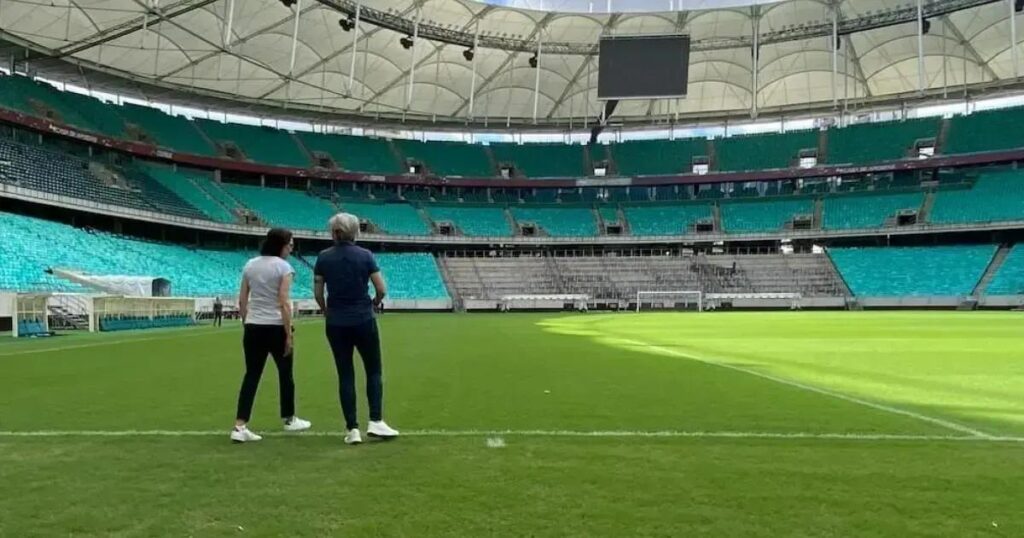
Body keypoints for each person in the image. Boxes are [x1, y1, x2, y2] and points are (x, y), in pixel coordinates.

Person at [314, 213, 399, 445]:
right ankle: (376, 420)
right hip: (363, 318)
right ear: (355, 232)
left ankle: (352, 429)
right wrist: (373, 303)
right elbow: (381, 288)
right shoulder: (365, 255)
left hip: (336, 322)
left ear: (334, 232)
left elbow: (318, 293)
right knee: (373, 370)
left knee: (345, 374)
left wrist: (326, 310)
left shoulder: (323, 257)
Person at [230, 228, 311, 443]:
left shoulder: (250, 265)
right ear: (281, 245)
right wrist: (288, 333)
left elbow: (242, 299)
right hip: (275, 325)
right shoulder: (284, 267)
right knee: (286, 374)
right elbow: (283, 301)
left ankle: (240, 425)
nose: (292, 248)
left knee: (251, 375)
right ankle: (289, 418)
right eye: (290, 244)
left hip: (254, 325)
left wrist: (247, 322)